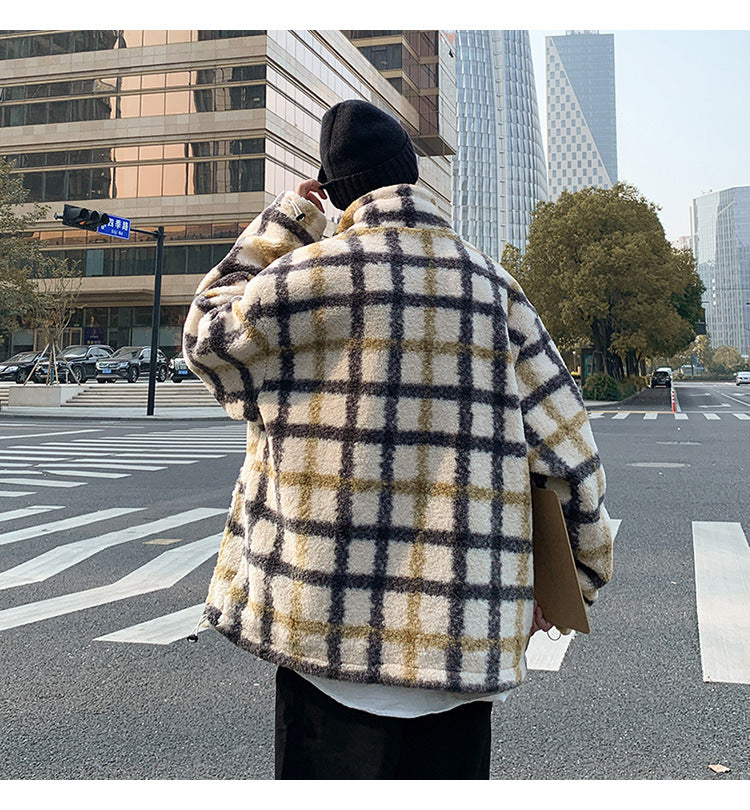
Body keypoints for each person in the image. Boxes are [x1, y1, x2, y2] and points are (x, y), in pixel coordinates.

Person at [182, 99, 613, 780]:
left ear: (331, 191)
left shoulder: (302, 280)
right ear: (412, 175)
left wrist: (287, 221)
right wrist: (575, 580)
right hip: (459, 643)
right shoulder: (492, 288)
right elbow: (568, 449)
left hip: (322, 627)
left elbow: (206, 337)